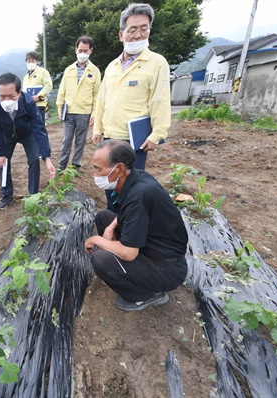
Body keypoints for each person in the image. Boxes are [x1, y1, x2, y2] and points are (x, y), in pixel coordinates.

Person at [84, 140, 188, 311]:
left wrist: (96, 240)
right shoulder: (137, 178)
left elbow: (129, 253)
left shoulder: (138, 196)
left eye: (98, 169)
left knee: (101, 259)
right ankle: (126, 270)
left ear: (119, 169)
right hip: (152, 248)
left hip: (165, 269)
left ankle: (146, 295)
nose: (94, 175)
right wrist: (110, 228)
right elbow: (129, 213)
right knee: (104, 218)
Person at [92, 3, 171, 211]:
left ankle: (128, 228)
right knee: (109, 183)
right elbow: (102, 100)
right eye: (132, 30)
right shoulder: (112, 66)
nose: (138, 35)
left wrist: (157, 134)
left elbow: (160, 100)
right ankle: (112, 220)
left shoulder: (156, 63)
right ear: (122, 34)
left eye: (143, 29)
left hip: (134, 141)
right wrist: (97, 129)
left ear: (149, 31)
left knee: (130, 188)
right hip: (110, 136)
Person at [0, 73, 56, 209]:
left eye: (11, 96)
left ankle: (33, 195)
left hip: (27, 132)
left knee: (34, 159)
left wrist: (47, 156)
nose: (6, 100)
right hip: (6, 134)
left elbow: (39, 129)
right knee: (2, 162)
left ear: (18, 92)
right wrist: (0, 153)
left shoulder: (28, 102)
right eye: (2, 96)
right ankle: (7, 195)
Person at [56, 36, 101, 172]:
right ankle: (62, 165)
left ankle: (76, 165)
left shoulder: (95, 71)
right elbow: (62, 90)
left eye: (85, 51)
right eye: (80, 50)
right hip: (68, 110)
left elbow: (97, 95)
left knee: (80, 140)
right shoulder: (69, 70)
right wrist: (59, 107)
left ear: (90, 51)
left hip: (84, 112)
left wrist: (94, 113)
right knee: (67, 139)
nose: (82, 53)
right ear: (76, 50)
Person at [22, 51, 53, 125]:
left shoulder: (43, 72)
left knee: (39, 127)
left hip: (39, 105)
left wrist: (39, 96)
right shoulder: (26, 77)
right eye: (28, 61)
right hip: (28, 106)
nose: (30, 63)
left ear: (37, 62)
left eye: (33, 61)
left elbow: (48, 86)